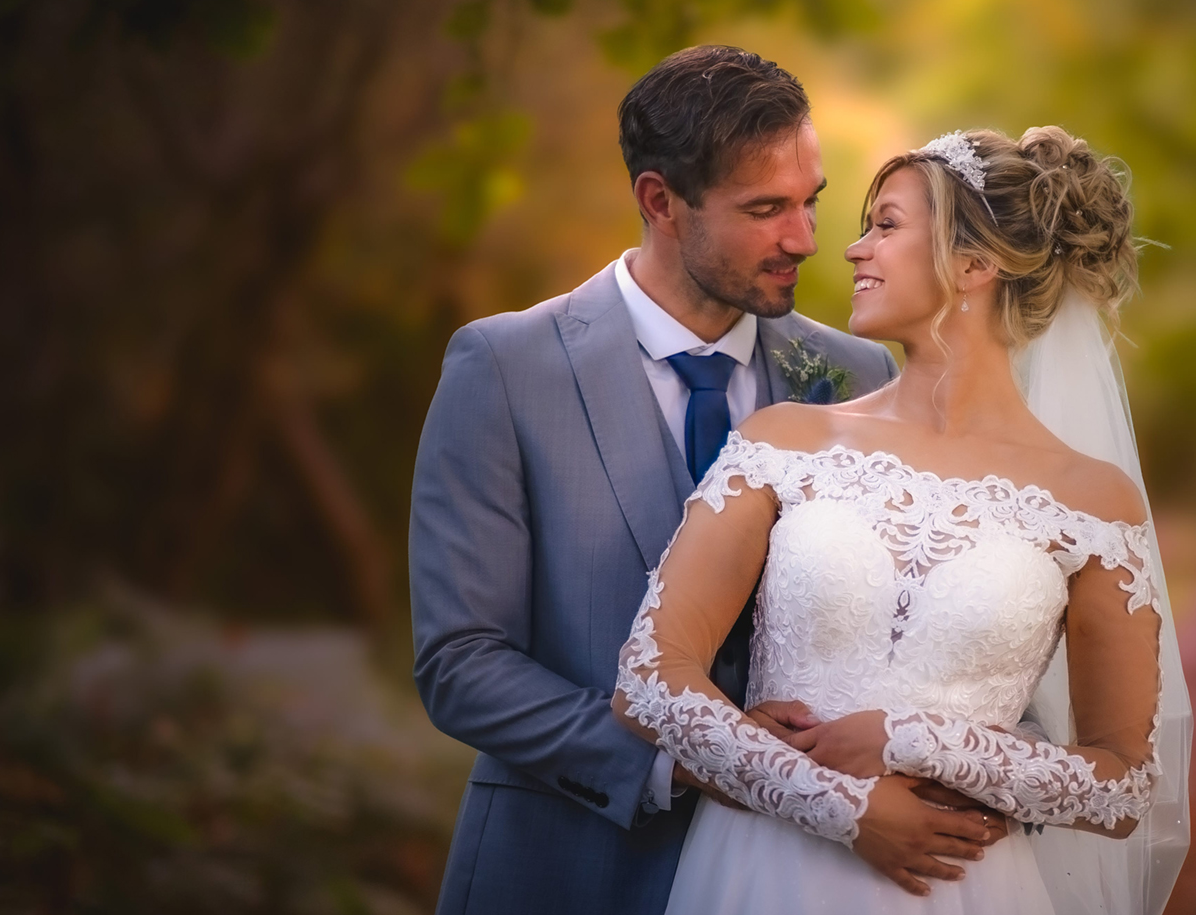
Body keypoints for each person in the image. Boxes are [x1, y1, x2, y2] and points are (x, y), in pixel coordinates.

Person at [409, 46, 1000, 915]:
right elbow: (461, 662)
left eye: (811, 203)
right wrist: (692, 757)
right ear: (661, 202)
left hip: (805, 876)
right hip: (568, 867)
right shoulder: (505, 367)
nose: (804, 239)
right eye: (765, 209)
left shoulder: (854, 369)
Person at [612, 125, 1193, 914]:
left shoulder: (1093, 501)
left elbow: (1123, 784)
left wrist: (913, 741)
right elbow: (649, 679)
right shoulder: (785, 442)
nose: (851, 250)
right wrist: (838, 804)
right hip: (762, 869)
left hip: (962, 888)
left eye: (885, 225)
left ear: (975, 264)